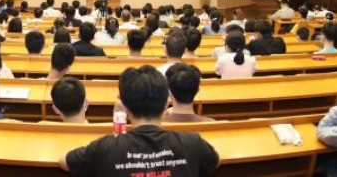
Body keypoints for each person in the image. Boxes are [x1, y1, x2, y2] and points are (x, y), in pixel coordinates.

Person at [60, 65, 219, 176]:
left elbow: (64, 162)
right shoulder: (193, 142)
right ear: (166, 104)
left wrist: (118, 133)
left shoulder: (104, 147)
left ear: (125, 106)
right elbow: (215, 161)